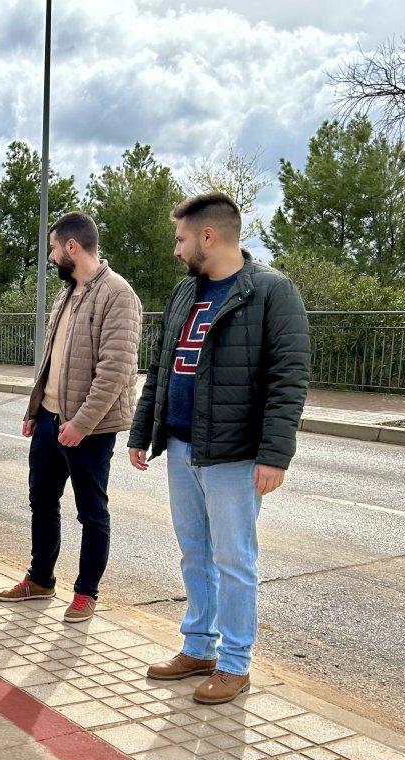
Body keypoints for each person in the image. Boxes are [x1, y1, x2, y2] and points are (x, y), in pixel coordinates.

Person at [128, 192, 309, 705]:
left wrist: (275, 454)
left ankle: (234, 664)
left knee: (234, 560)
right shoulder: (186, 294)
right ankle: (199, 646)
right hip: (183, 448)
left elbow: (288, 378)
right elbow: (160, 370)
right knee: (195, 554)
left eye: (181, 238)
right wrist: (144, 433)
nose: (176, 249)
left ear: (208, 236)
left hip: (235, 454)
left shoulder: (271, 292)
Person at [0, 211, 143, 623]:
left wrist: (81, 424)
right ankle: (40, 579)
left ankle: (85, 593)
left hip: (89, 429)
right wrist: (35, 409)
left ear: (72, 248)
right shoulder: (67, 294)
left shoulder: (118, 294)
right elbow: (50, 359)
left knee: (91, 512)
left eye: (53, 249)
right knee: (42, 502)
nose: (51, 256)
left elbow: (115, 370)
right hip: (48, 419)